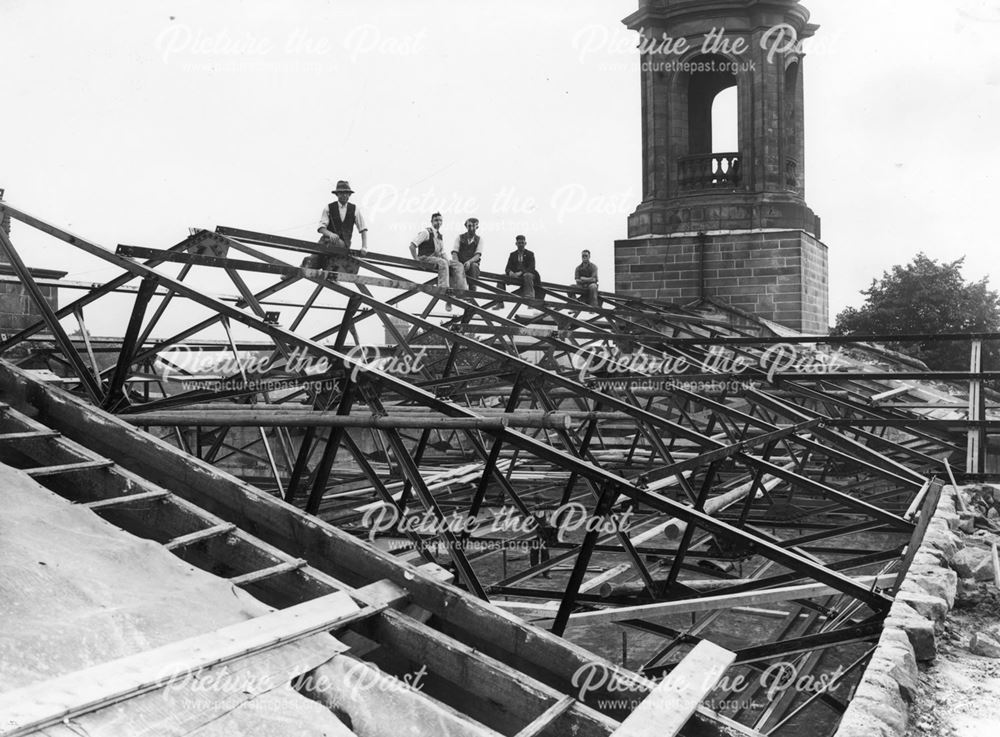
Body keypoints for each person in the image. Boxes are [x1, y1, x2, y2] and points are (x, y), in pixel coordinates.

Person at [303, 179, 368, 277]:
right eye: (341, 193)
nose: (344, 195)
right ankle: (291, 274)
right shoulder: (329, 208)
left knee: (335, 264)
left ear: (349, 195)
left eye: (346, 193)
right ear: (337, 195)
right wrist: (330, 234)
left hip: (342, 246)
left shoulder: (354, 209)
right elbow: (321, 228)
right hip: (326, 242)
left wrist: (364, 247)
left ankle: (331, 274)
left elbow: (363, 229)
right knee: (312, 261)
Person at [409, 213, 467, 310]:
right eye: (436, 220)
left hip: (436, 258)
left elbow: (442, 252)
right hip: (425, 258)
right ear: (431, 222)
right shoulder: (426, 232)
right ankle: (444, 289)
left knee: (457, 265)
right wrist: (416, 260)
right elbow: (412, 245)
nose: (438, 222)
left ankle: (461, 292)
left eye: (440, 220)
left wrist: (450, 262)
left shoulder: (439, 236)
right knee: (443, 263)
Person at [502, 235, 541, 300]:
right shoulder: (513, 254)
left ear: (525, 243)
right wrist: (510, 272)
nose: (521, 245)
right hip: (516, 276)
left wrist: (521, 272)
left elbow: (532, 267)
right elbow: (507, 268)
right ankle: (500, 297)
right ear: (516, 244)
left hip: (528, 276)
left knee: (527, 275)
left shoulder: (530, 254)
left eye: (522, 243)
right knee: (501, 277)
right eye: (519, 243)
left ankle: (529, 296)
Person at [452, 217, 483, 282]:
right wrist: (458, 264)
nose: (471, 228)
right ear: (466, 226)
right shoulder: (459, 237)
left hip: (472, 265)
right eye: (469, 226)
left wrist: (469, 262)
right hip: (460, 264)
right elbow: (454, 253)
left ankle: (473, 290)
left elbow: (477, 255)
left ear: (477, 227)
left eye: (474, 226)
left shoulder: (479, 239)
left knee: (474, 266)